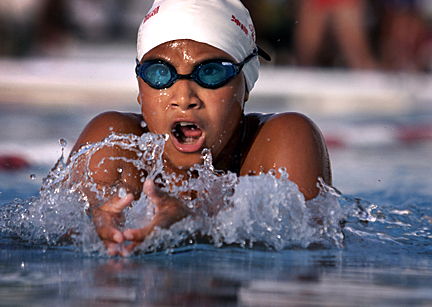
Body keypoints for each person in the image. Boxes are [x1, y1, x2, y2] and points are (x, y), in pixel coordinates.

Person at [69, 0, 332, 256]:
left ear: (245, 85)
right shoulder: (113, 142)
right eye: (160, 73)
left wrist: (192, 230)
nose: (183, 98)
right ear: (140, 88)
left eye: (211, 72)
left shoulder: (282, 140)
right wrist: (89, 230)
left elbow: (306, 254)